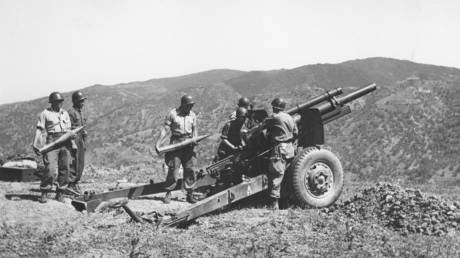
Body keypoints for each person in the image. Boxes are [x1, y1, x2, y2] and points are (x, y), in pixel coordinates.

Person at [155, 95, 199, 204]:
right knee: (173, 168)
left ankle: (190, 194)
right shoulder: (173, 114)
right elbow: (166, 129)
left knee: (190, 169)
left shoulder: (192, 115)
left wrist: (195, 139)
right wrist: (158, 143)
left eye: (191, 106)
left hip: (189, 144)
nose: (190, 108)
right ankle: (169, 192)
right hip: (176, 143)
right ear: (183, 105)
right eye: (188, 106)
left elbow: (194, 129)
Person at [32, 92, 73, 203]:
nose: (59, 104)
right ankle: (45, 192)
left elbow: (69, 129)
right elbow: (39, 129)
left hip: (65, 141)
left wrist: (72, 142)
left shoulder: (65, 113)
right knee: (49, 168)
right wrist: (35, 143)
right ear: (52, 102)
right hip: (52, 141)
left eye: (60, 102)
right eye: (57, 102)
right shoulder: (45, 113)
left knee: (65, 168)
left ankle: (60, 193)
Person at [266, 97, 298, 209]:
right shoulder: (290, 117)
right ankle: (286, 203)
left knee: (276, 175)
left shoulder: (274, 117)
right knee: (287, 175)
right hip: (290, 149)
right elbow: (295, 132)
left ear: (275, 107)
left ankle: (274, 205)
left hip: (279, 149)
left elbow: (263, 128)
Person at [67, 91, 88, 194]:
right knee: (74, 162)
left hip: (81, 139)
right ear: (75, 101)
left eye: (83, 101)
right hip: (74, 139)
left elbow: (83, 125)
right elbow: (68, 129)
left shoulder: (81, 112)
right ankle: (71, 184)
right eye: (80, 101)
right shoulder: (71, 112)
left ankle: (76, 182)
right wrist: (72, 143)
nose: (82, 103)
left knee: (81, 162)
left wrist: (84, 136)